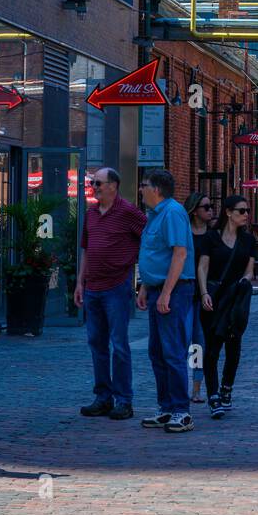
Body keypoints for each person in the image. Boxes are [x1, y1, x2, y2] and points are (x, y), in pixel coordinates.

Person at [76, 167, 146, 421]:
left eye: (98, 183)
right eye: (93, 183)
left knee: (119, 345)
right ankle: (103, 397)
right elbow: (86, 249)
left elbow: (148, 240)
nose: (94, 187)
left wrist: (142, 278)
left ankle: (124, 400)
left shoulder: (128, 212)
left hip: (117, 287)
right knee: (97, 344)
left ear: (113, 186)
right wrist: (79, 283)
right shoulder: (91, 214)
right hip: (92, 288)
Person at [136, 169, 196, 434]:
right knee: (158, 351)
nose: (141, 189)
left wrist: (167, 292)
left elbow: (179, 255)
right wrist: (146, 287)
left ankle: (181, 410)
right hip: (158, 289)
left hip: (174, 291)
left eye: (144, 185)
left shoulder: (172, 213)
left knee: (172, 351)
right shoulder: (155, 215)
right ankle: (167, 407)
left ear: (157, 189)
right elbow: (155, 255)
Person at [197, 195, 256, 419]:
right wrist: (203, 293)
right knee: (211, 349)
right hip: (213, 298)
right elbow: (202, 267)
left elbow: (249, 269)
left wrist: (245, 280)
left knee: (233, 347)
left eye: (247, 211)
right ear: (228, 212)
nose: (246, 215)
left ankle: (226, 389)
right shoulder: (211, 238)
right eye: (241, 211)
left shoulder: (248, 240)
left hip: (235, 300)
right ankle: (213, 395)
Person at [183, 191, 216, 403]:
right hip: (186, 294)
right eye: (206, 207)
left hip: (207, 296)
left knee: (199, 343)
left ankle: (196, 388)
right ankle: (182, 385)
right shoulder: (184, 234)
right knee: (184, 341)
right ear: (195, 211)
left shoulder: (214, 235)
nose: (211, 209)